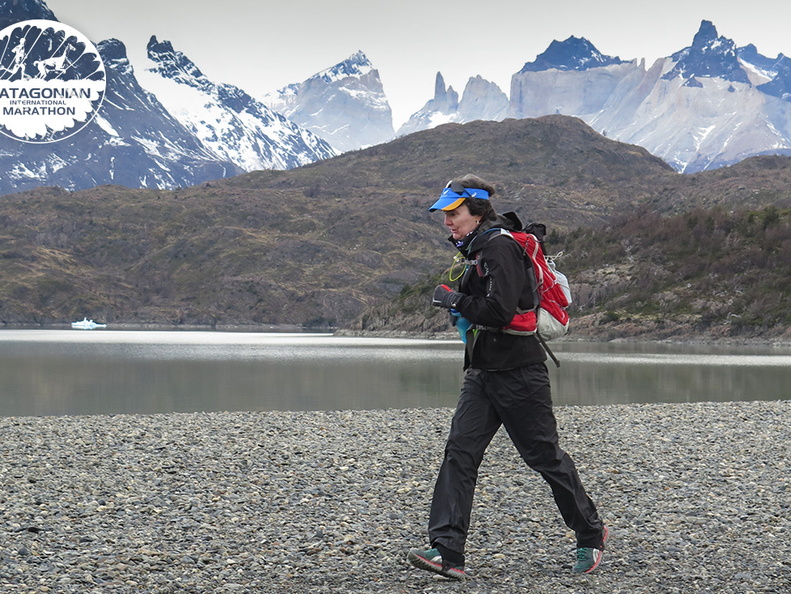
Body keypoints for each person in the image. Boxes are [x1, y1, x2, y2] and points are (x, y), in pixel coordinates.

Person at [407, 174, 607, 580]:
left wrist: (451, 298)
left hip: (519, 374)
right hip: (482, 373)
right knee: (460, 453)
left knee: (544, 457)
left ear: (477, 211)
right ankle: (447, 551)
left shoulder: (498, 248)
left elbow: (499, 312)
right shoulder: (477, 249)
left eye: (454, 213)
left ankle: (590, 533)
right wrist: (461, 304)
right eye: (444, 214)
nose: (447, 221)